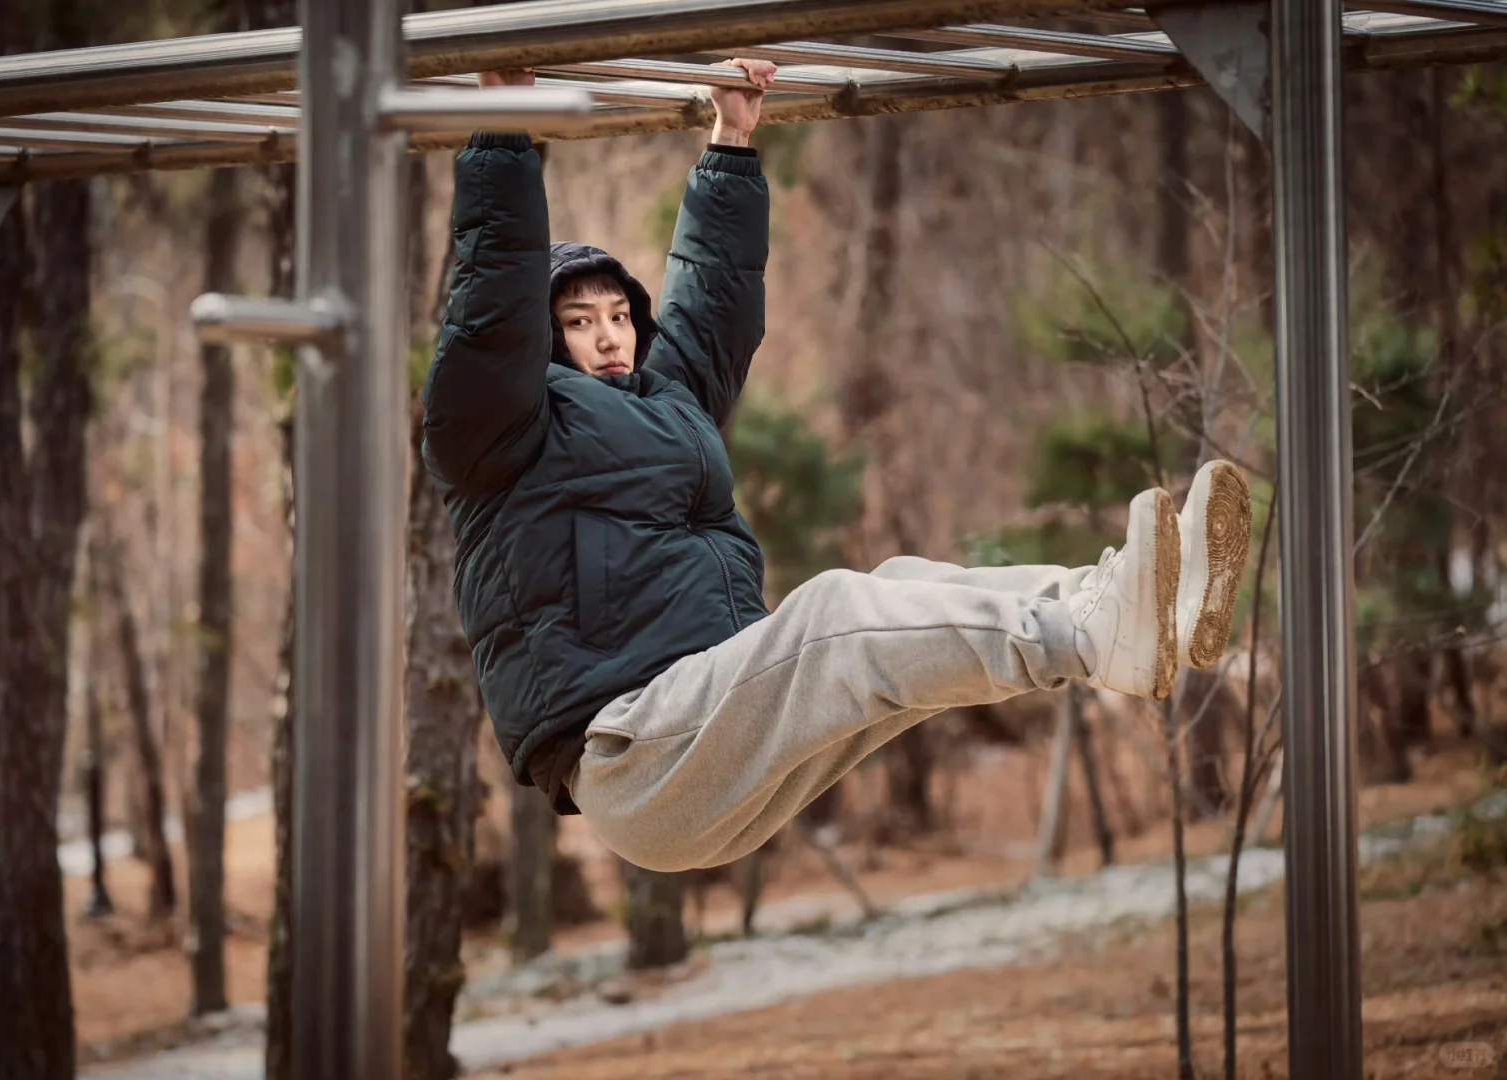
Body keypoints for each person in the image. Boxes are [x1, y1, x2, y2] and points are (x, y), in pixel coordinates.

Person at [420, 60, 1252, 873]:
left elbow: (713, 302)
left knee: (900, 584)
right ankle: (1092, 637)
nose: (609, 336)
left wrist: (732, 142)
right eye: (577, 320)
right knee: (835, 612)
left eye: (618, 316)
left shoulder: (666, 404)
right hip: (636, 751)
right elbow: (490, 303)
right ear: (540, 338)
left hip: (717, 730)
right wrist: (503, 136)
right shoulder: (503, 426)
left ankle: (1127, 607)